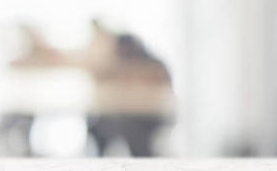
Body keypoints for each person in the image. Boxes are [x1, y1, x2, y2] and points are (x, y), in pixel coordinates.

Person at [11, 19, 175, 156]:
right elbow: (74, 61)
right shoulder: (109, 60)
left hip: (144, 119)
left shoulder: (136, 59)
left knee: (112, 130)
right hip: (121, 117)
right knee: (97, 127)